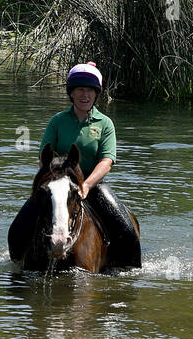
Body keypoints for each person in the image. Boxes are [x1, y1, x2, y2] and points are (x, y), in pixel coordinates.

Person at [8, 61, 141, 267]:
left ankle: (129, 270)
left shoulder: (105, 124)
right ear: (71, 92)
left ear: (97, 93)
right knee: (17, 228)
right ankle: (17, 264)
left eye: (90, 90)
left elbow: (107, 161)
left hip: (92, 186)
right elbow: (45, 155)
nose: (84, 95)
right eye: (80, 89)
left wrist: (86, 185)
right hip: (59, 184)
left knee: (125, 228)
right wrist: (55, 179)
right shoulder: (58, 121)